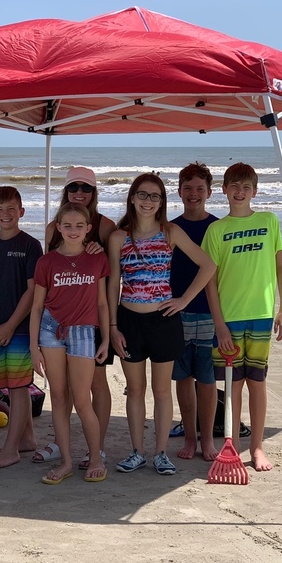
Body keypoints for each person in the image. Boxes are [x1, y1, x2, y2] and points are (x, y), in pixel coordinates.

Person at [107, 173, 216, 475]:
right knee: (135, 390)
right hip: (129, 322)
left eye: (155, 196)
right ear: (132, 198)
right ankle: (137, 452)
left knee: (162, 391)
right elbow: (113, 283)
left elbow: (208, 264)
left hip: (164, 321)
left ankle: (160, 453)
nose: (148, 201)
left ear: (162, 202)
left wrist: (183, 300)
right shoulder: (118, 237)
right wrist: (113, 327)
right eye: (143, 194)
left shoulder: (171, 232)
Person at [202, 162, 282, 472]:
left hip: (261, 316)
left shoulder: (268, 221)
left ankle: (257, 447)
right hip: (229, 319)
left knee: (257, 382)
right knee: (233, 384)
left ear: (255, 191)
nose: (240, 192)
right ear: (224, 190)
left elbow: (281, 266)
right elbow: (209, 281)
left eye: (246, 187)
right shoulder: (216, 230)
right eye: (234, 187)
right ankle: (234, 446)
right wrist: (219, 324)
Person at [34, 166, 116, 468]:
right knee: (60, 392)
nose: (79, 193)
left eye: (86, 188)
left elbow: (111, 277)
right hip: (55, 322)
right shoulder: (52, 231)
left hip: (89, 320)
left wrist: (109, 331)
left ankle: (97, 450)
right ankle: (63, 447)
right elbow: (49, 273)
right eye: (73, 187)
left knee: (94, 385)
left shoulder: (105, 226)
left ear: (94, 193)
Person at [0, 186, 43, 468]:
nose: (5, 214)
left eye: (11, 209)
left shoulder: (30, 245)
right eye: (0, 209)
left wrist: (10, 325)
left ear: (22, 212)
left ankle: (11, 449)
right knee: (9, 386)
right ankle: (27, 438)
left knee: (18, 388)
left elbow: (32, 291)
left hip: (20, 328)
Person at [170, 162, 219, 461]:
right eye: (187, 188)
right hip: (176, 312)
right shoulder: (171, 228)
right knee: (183, 378)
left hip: (208, 312)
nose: (193, 194)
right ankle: (190, 438)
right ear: (179, 192)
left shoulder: (218, 227)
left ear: (209, 193)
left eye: (200, 188)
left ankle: (208, 440)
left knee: (207, 379)